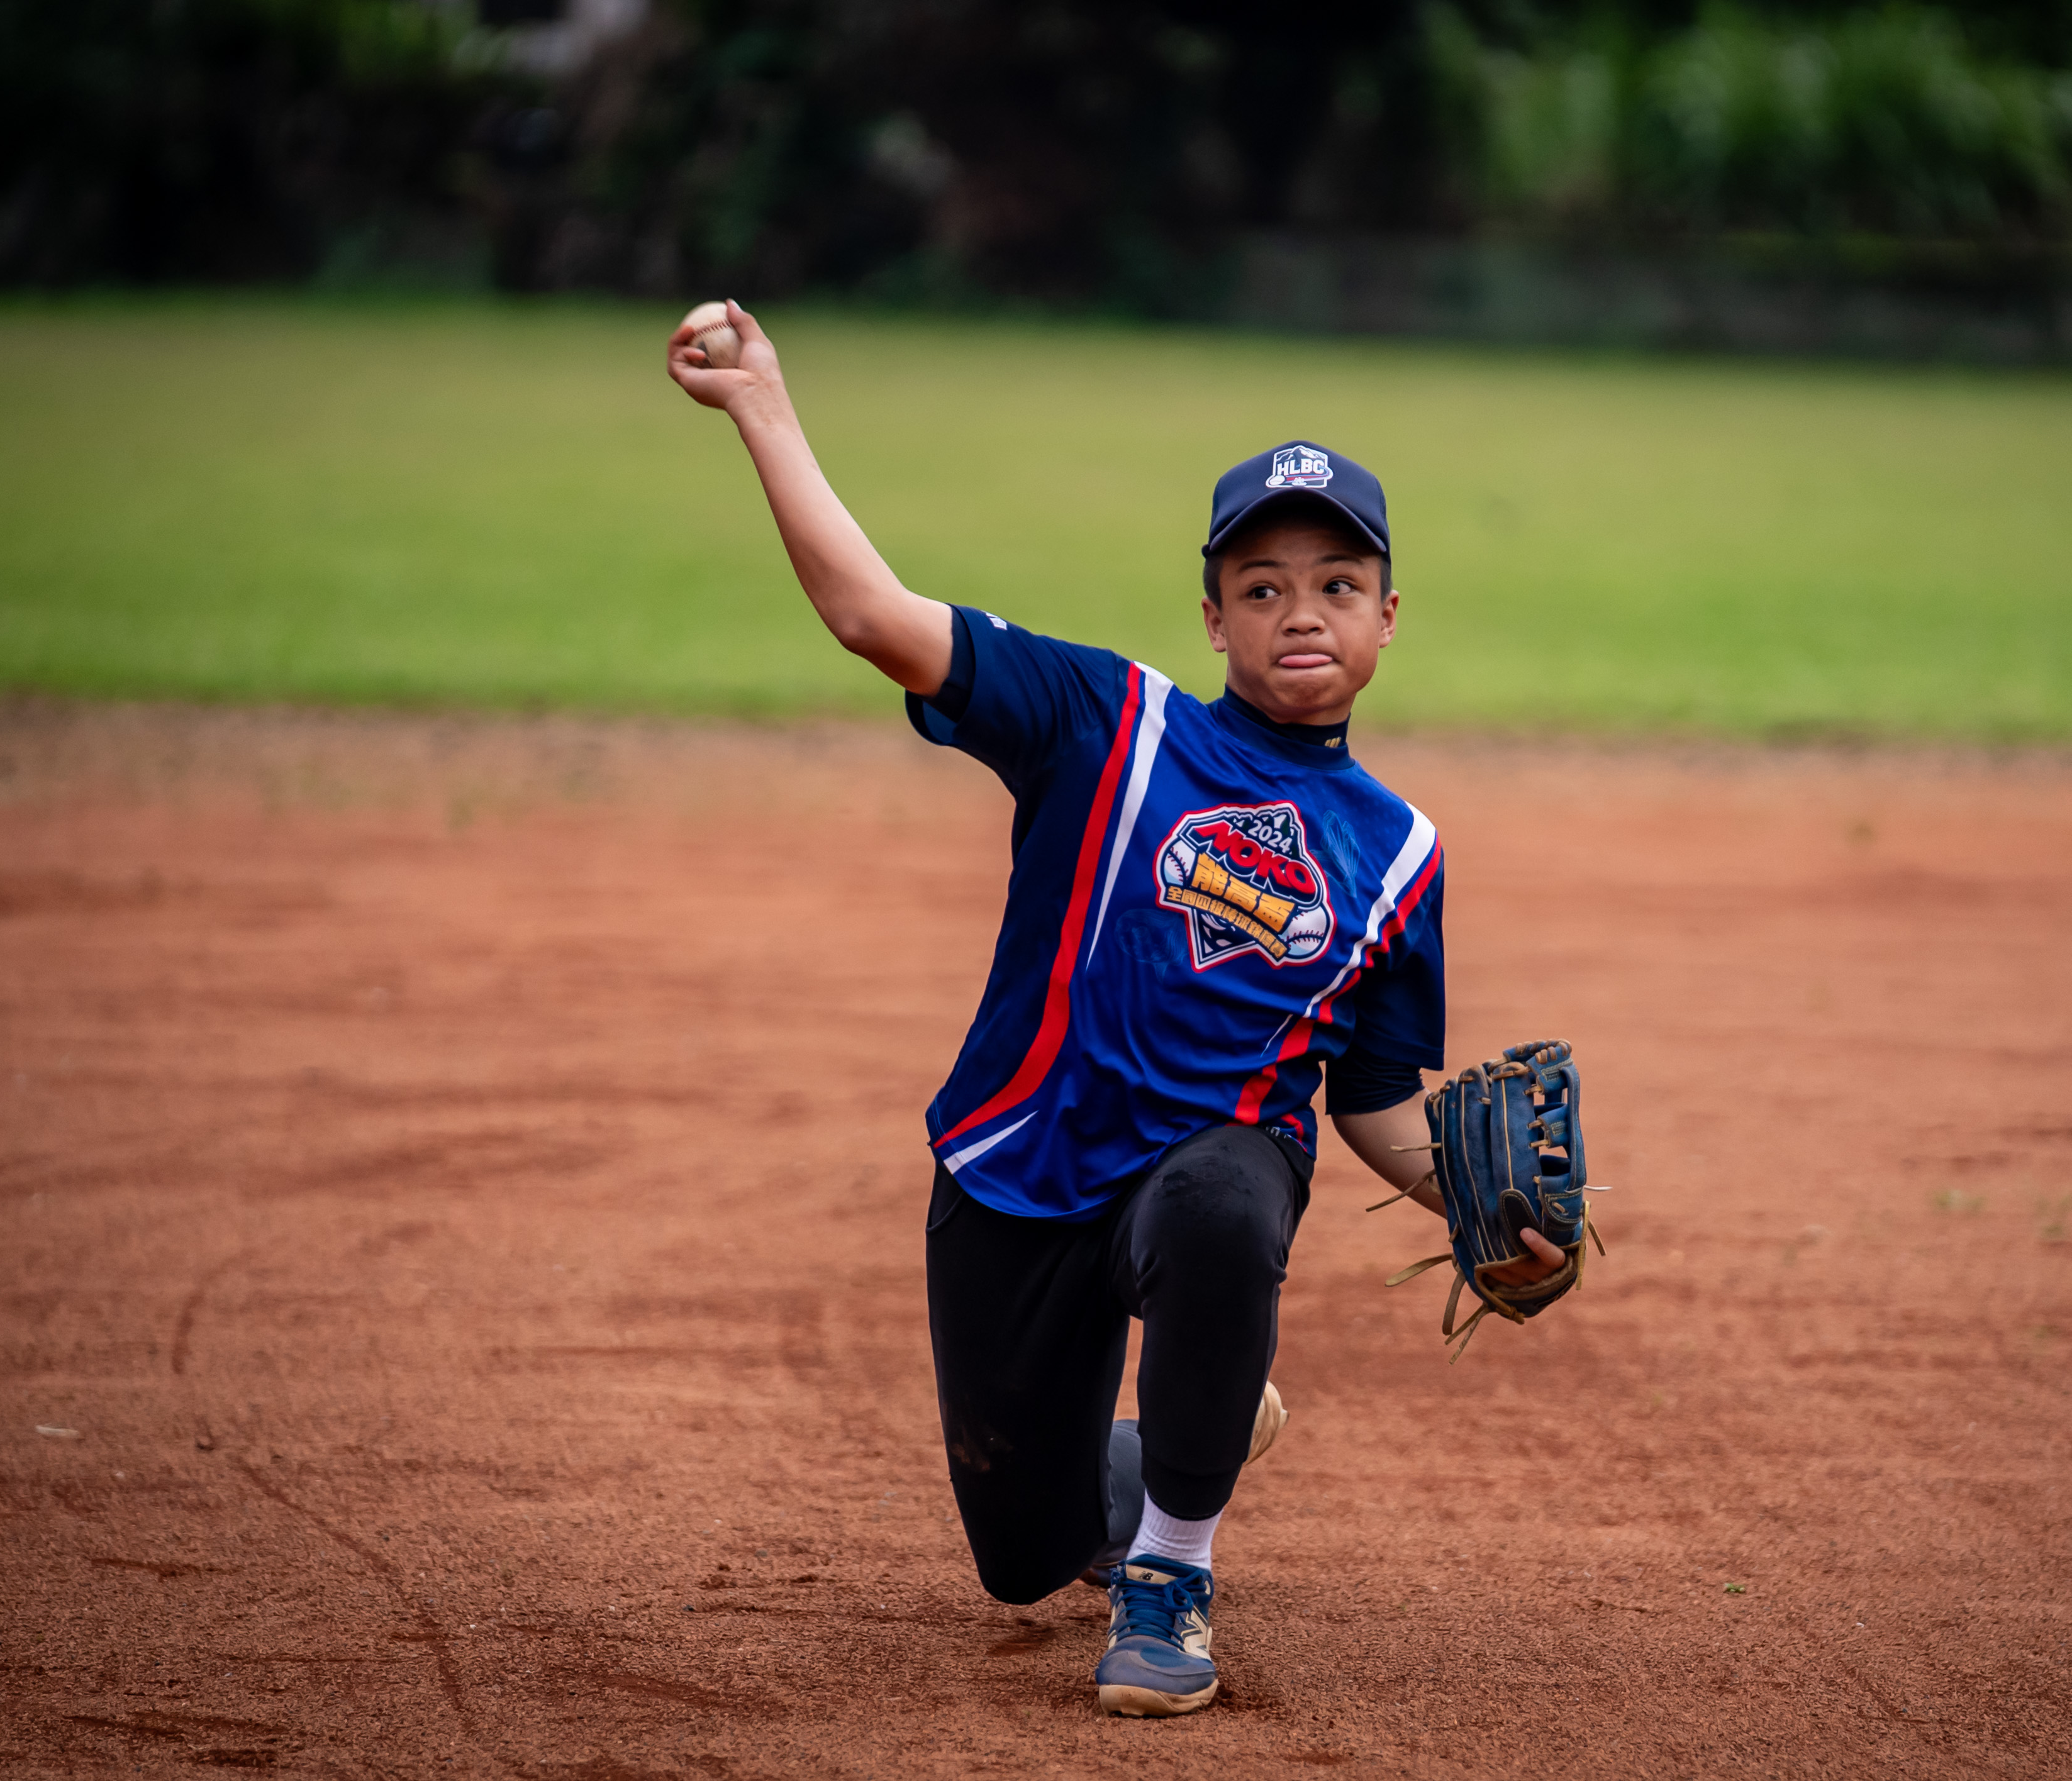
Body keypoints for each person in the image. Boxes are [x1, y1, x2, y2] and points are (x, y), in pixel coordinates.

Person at [669, 301, 1566, 1718]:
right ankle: (1181, 1438)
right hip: (1014, 1175)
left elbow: (1373, 1096)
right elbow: (873, 618)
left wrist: (1473, 1201)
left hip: (1216, 1164)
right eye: (1259, 587)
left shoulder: (1398, 852)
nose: (1298, 613)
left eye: (1336, 584)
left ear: (1386, 619)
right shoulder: (1108, 720)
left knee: (1219, 1202)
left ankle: (1172, 1575)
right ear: (1211, 614)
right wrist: (762, 406)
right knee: (1022, 1560)